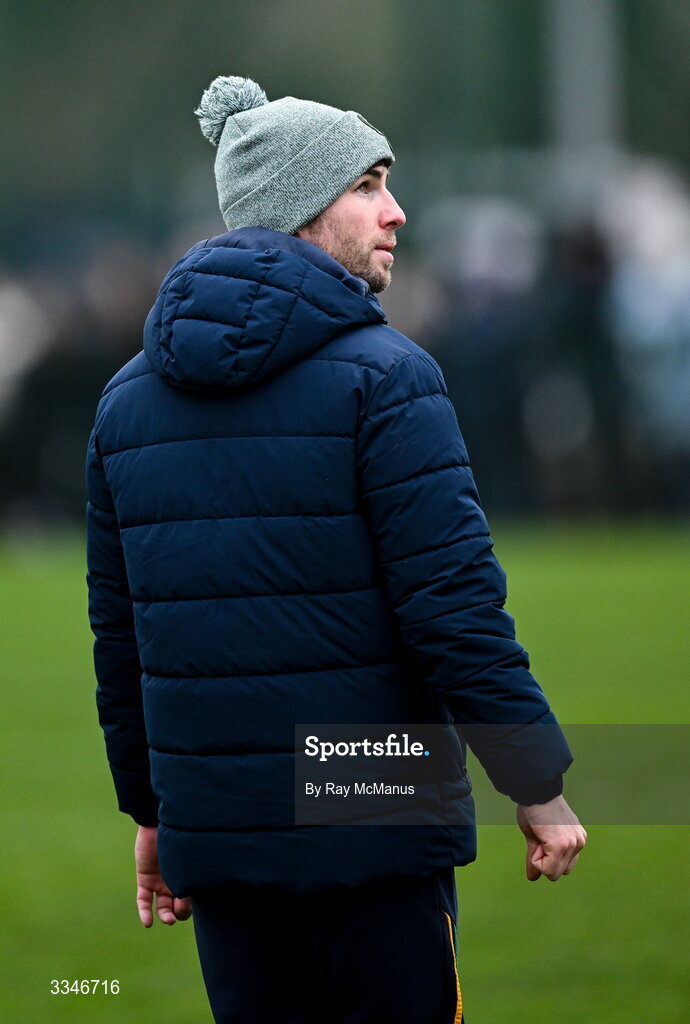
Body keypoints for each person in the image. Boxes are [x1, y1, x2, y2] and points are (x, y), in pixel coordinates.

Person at [86, 75, 586, 1024]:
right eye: (367, 184)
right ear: (299, 207)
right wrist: (536, 781)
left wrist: (154, 812)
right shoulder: (390, 377)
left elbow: (123, 643)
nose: (397, 211)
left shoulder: (125, 400)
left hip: (219, 821)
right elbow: (453, 605)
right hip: (372, 803)